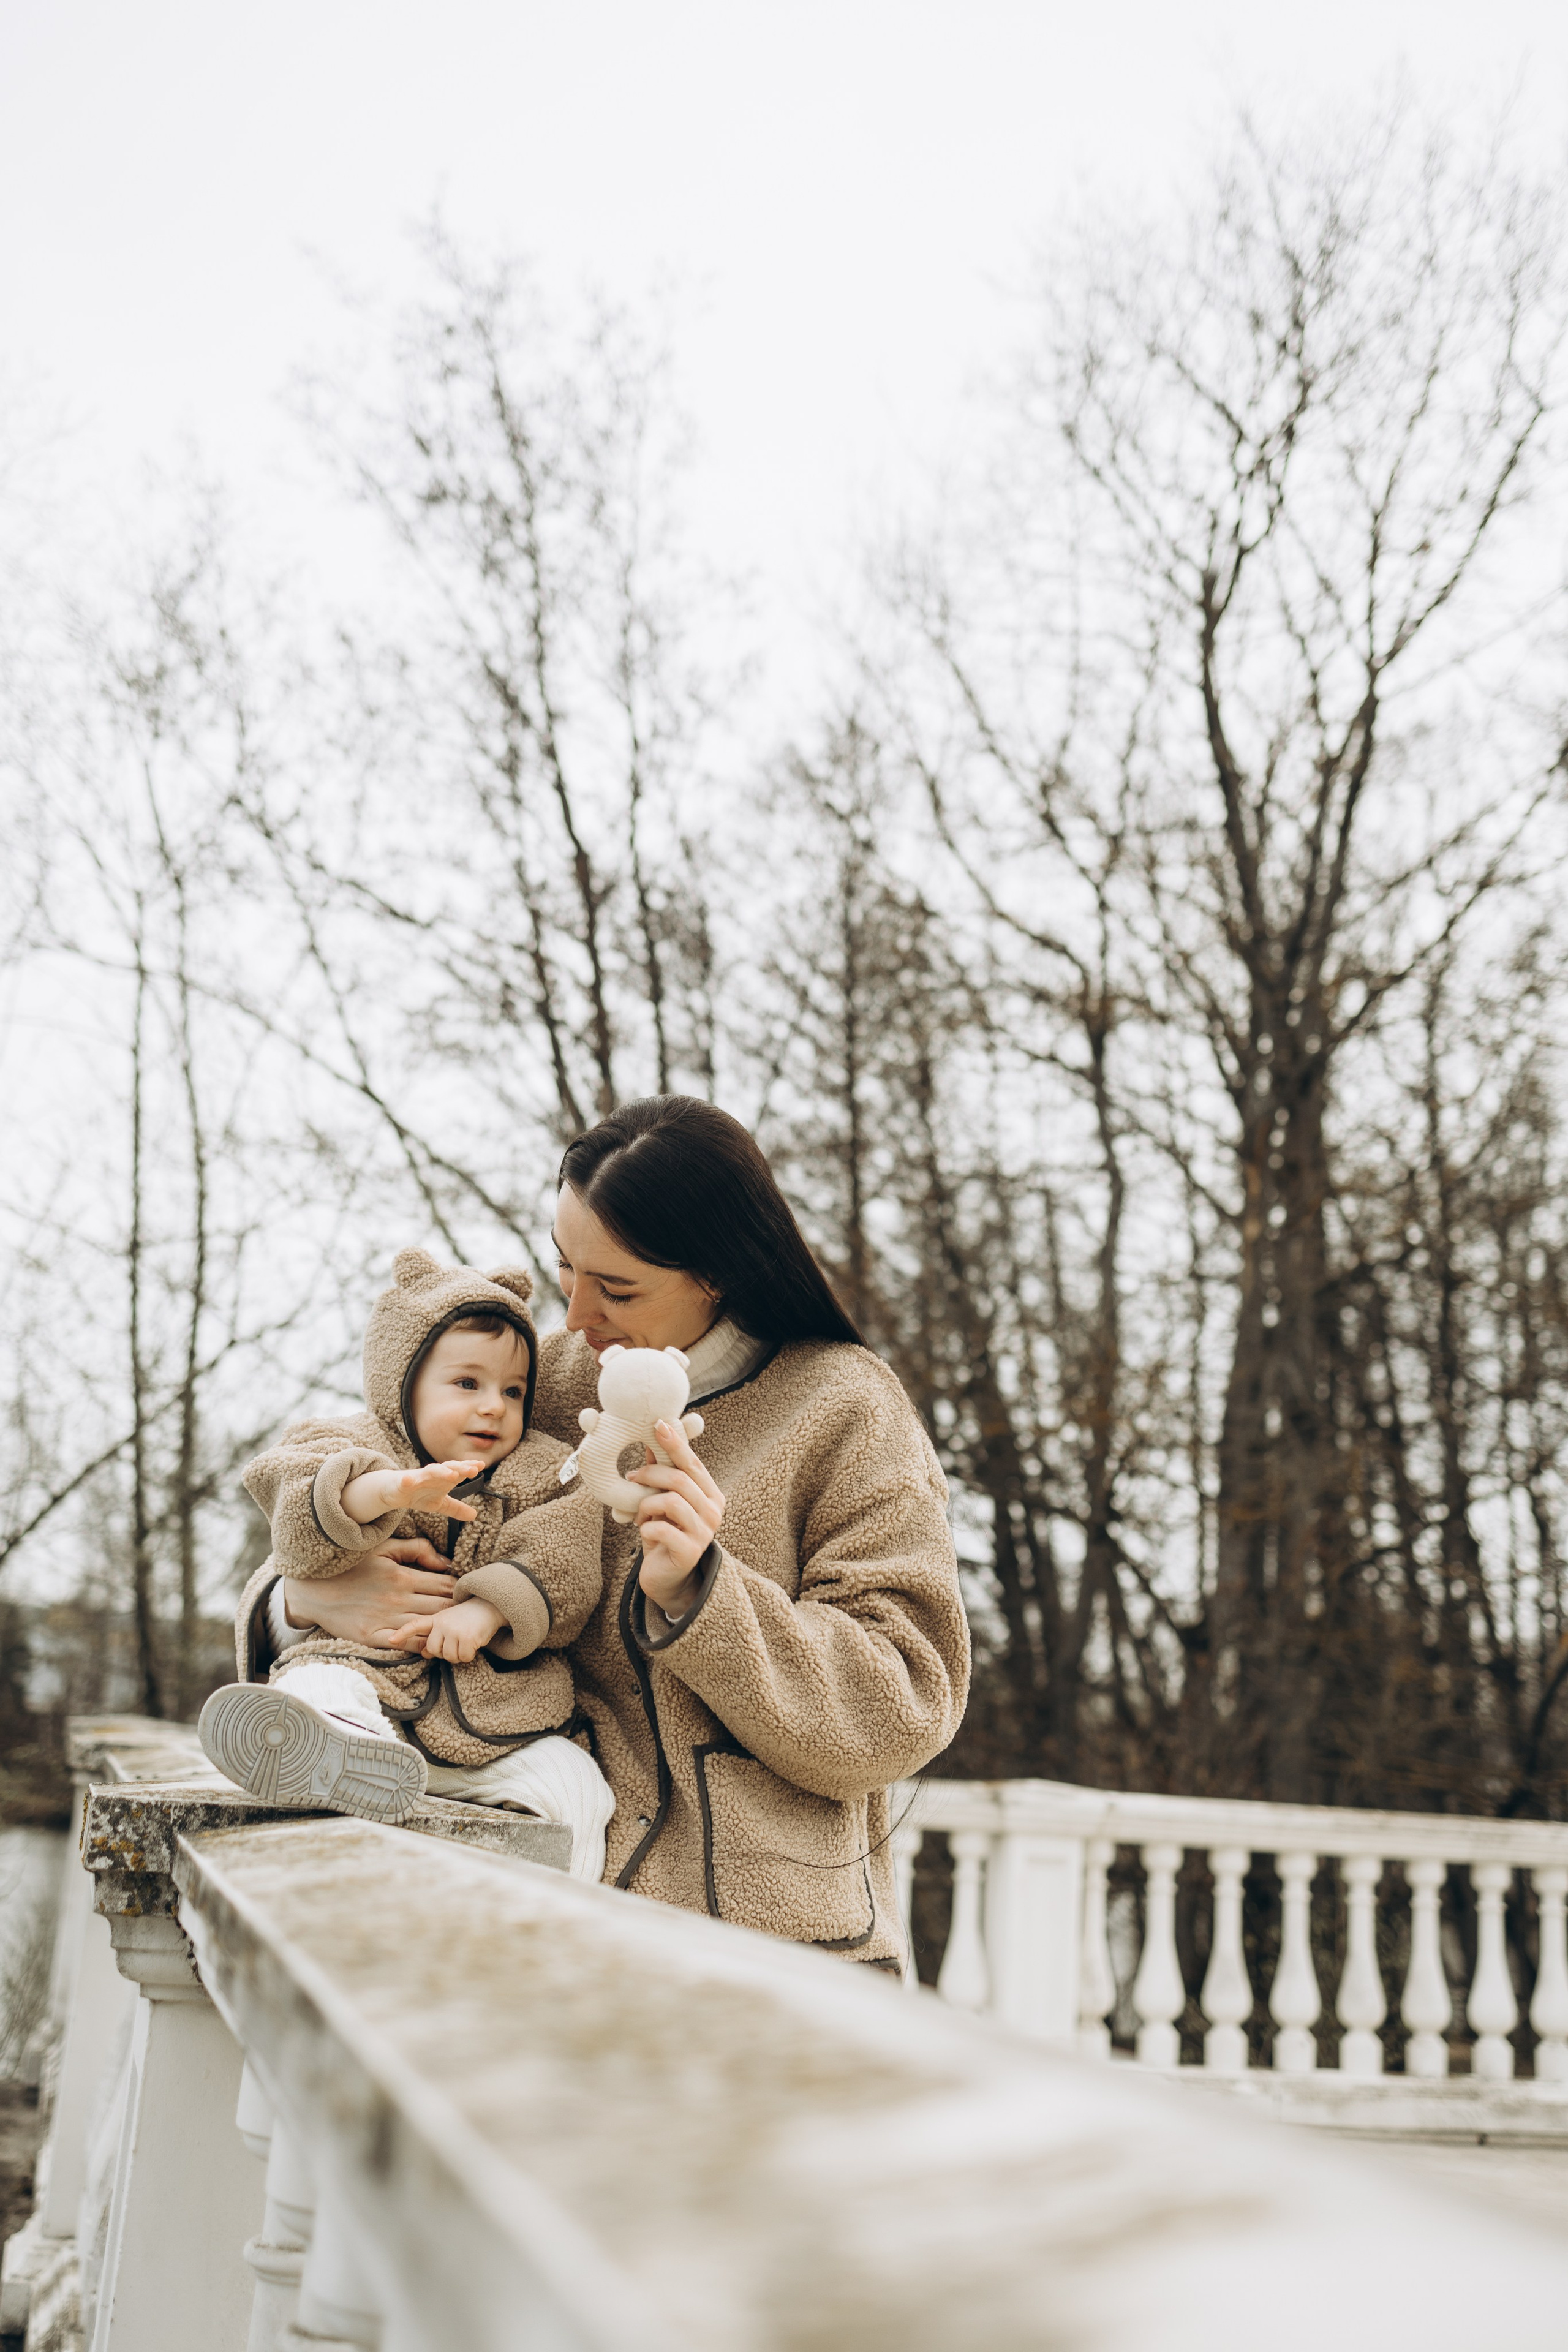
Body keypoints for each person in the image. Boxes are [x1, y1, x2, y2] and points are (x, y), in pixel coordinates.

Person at [237, 1098, 970, 1969]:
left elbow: (905, 1704)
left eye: (617, 1288)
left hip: (766, 1960)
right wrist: (302, 1599)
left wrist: (706, 1593)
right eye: (565, 1270)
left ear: (718, 1275)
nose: (578, 1314)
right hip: (527, 1937)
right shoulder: (529, 1385)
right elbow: (338, 1486)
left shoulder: (846, 1410)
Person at [203, 1250, 615, 1880]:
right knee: (316, 1691)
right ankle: (346, 1759)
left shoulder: (544, 1469)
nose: (494, 1407)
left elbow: (563, 1559)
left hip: (490, 1723)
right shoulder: (349, 1441)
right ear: (403, 1381)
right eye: (467, 1384)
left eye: (513, 1391)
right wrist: (384, 1492)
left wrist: (486, 1611)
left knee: (581, 1788)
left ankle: (575, 1916)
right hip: (367, 1682)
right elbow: (292, 1504)